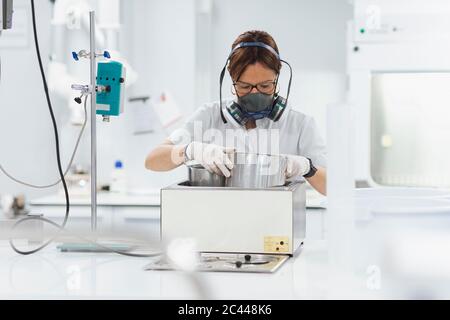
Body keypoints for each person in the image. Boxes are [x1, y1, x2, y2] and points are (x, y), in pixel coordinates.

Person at [145, 30, 327, 195]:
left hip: (278, 229)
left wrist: (307, 168)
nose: (255, 93)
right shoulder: (209, 116)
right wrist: (189, 150)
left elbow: (332, 189)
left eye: (265, 86)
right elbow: (152, 159)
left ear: (277, 76)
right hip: (219, 224)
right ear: (232, 78)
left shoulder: (300, 124)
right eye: (245, 86)